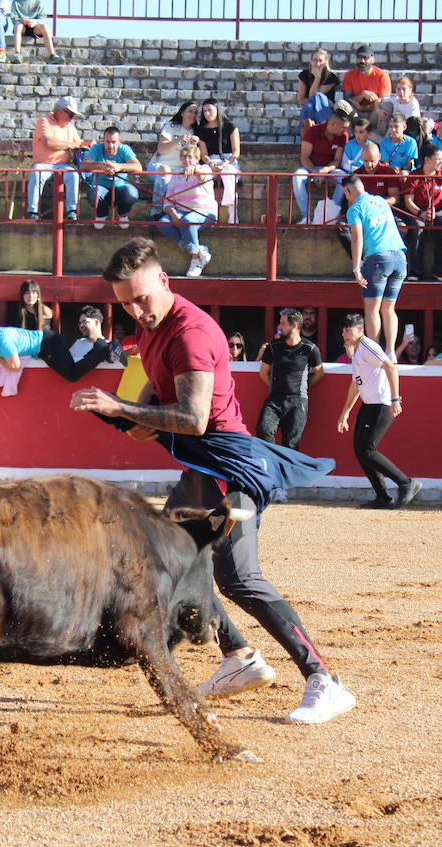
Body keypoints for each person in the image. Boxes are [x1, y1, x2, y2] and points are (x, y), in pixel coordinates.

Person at [69, 237, 355, 724]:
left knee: (239, 577)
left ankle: (324, 679)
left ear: (164, 280)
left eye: (142, 298)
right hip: (202, 470)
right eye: (125, 304)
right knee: (170, 562)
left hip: (229, 469)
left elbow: (195, 418)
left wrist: (123, 408)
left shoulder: (190, 333)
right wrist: (136, 419)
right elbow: (159, 407)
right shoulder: (154, 331)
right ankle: (238, 656)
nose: (137, 311)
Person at [335, 311, 419, 510]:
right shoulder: (356, 351)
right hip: (369, 403)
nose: (346, 334)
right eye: (344, 331)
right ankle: (383, 496)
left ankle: (406, 483)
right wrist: (345, 412)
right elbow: (356, 384)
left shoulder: (366, 346)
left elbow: (390, 367)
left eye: (349, 330)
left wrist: (395, 399)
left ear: (360, 330)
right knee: (360, 450)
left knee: (366, 450)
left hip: (381, 403)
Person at [342, 173, 406, 358]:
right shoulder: (380, 201)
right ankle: (391, 352)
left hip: (378, 259)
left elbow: (357, 238)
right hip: (400, 257)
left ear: (348, 191)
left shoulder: (355, 209)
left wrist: (356, 268)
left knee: (372, 308)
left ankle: (375, 352)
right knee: (388, 308)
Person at [256, 307, 323, 452]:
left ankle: (286, 473)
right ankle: (274, 463)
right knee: (263, 431)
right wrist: (275, 386)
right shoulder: (273, 347)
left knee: (291, 444)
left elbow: (319, 373)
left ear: (294, 325)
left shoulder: (309, 348)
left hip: (298, 401)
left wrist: (304, 387)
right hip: (275, 399)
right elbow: (263, 372)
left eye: (283, 323)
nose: (280, 327)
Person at [0, 315, 116, 381]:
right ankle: (98, 350)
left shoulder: (4, 341)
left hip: (48, 345)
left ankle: (99, 352)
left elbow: (15, 366)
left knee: (71, 375)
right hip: (46, 342)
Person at [157, 139, 217, 277]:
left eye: (190, 157)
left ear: (197, 159)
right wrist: (173, 213)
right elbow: (168, 200)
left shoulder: (205, 169)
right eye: (183, 157)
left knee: (188, 220)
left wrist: (195, 170)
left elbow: (203, 176)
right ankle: (197, 249)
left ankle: (195, 260)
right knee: (162, 223)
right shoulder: (176, 174)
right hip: (180, 211)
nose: (186, 160)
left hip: (203, 212)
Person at [403, 142, 442, 282]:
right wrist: (420, 214)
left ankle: (440, 270)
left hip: (439, 210)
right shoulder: (414, 176)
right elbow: (408, 201)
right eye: (438, 159)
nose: (441, 162)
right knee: (417, 228)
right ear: (427, 160)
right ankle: (415, 271)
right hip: (418, 210)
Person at [26, 95, 83, 220]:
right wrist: (69, 145)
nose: (72, 119)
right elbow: (49, 143)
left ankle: (71, 211)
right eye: (71, 115)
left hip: (64, 165)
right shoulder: (44, 121)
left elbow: (78, 144)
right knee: (36, 174)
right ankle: (32, 211)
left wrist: (88, 144)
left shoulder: (70, 127)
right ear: (61, 111)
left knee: (74, 175)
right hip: (43, 163)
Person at [292, 110, 349, 222]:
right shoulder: (312, 132)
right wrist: (315, 171)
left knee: (344, 178)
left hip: (329, 169)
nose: (345, 131)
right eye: (343, 127)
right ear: (333, 124)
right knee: (297, 176)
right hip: (310, 169)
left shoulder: (343, 136)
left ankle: (332, 214)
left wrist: (325, 170)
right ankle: (307, 216)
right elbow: (304, 157)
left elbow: (337, 160)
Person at [82, 126, 142, 229]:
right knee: (94, 193)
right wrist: (101, 165)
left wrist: (120, 167)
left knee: (132, 193)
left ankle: (123, 215)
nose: (110, 145)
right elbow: (84, 165)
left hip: (121, 188)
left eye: (113, 142)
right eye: (107, 141)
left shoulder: (124, 149)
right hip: (100, 188)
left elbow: (138, 167)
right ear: (103, 141)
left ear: (119, 142)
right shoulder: (96, 148)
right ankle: (101, 215)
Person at [147, 101, 198, 216]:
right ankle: (156, 210)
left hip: (178, 170)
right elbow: (161, 149)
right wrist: (179, 140)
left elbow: (194, 157)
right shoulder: (172, 126)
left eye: (195, 112)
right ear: (182, 113)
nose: (193, 115)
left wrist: (195, 145)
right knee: (165, 171)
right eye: (190, 111)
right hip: (159, 166)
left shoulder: (195, 132)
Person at [197, 98, 242, 223]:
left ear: (217, 110)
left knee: (228, 172)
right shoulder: (202, 130)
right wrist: (210, 163)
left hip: (228, 160)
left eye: (210, 110)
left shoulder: (230, 127)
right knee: (203, 172)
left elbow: (236, 152)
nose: (207, 113)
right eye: (204, 111)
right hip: (210, 161)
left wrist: (227, 163)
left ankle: (232, 213)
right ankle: (208, 211)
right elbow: (203, 154)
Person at [343, 45, 392, 133]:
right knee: (341, 105)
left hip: (374, 114)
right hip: (356, 114)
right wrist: (362, 94)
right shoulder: (349, 75)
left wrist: (364, 107)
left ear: (372, 59)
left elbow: (384, 100)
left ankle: (379, 137)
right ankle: (348, 137)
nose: (362, 61)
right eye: (359, 58)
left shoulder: (382, 76)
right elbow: (347, 101)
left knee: (387, 105)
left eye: (365, 58)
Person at [296, 47, 340, 128]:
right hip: (310, 108)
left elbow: (314, 97)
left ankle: (316, 130)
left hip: (325, 110)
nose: (317, 63)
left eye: (320, 60)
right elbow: (301, 100)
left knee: (318, 97)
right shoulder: (304, 75)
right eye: (315, 60)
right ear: (311, 61)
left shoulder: (331, 77)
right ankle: (314, 132)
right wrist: (317, 78)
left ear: (325, 62)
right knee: (309, 106)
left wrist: (317, 78)